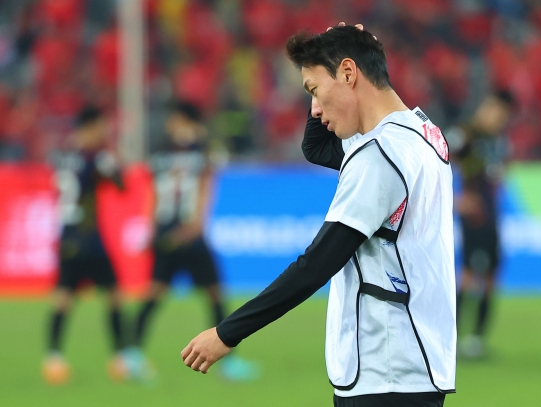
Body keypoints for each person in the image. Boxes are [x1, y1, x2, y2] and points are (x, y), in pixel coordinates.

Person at [181, 25, 456, 407]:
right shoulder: (422, 135)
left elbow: (315, 265)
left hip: (385, 370)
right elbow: (316, 146)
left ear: (348, 73)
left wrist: (227, 333)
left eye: (313, 90)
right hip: (419, 358)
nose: (315, 108)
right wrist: (335, 65)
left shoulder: (378, 158)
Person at [128, 101, 259, 381]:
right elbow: (205, 190)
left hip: (169, 232)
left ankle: (132, 356)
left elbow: (153, 194)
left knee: (160, 294)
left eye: (174, 119)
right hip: (188, 234)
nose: (170, 125)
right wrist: (194, 225)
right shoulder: (202, 153)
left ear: (182, 120)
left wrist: (151, 230)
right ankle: (229, 364)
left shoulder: (161, 153)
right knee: (210, 295)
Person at [42, 107, 127, 384]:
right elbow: (120, 184)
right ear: (90, 128)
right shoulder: (97, 157)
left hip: (66, 235)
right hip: (89, 239)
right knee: (113, 295)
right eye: (101, 127)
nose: (104, 132)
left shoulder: (63, 156)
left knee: (63, 298)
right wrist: (113, 157)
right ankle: (119, 359)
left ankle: (53, 359)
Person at [447, 91, 515, 358]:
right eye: (496, 111)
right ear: (486, 108)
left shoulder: (498, 141)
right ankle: (448, 339)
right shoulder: (465, 134)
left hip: (492, 217)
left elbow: (500, 173)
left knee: (490, 277)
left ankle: (476, 339)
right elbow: (435, 160)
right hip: (474, 217)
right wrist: (454, 199)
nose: (500, 118)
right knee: (467, 275)